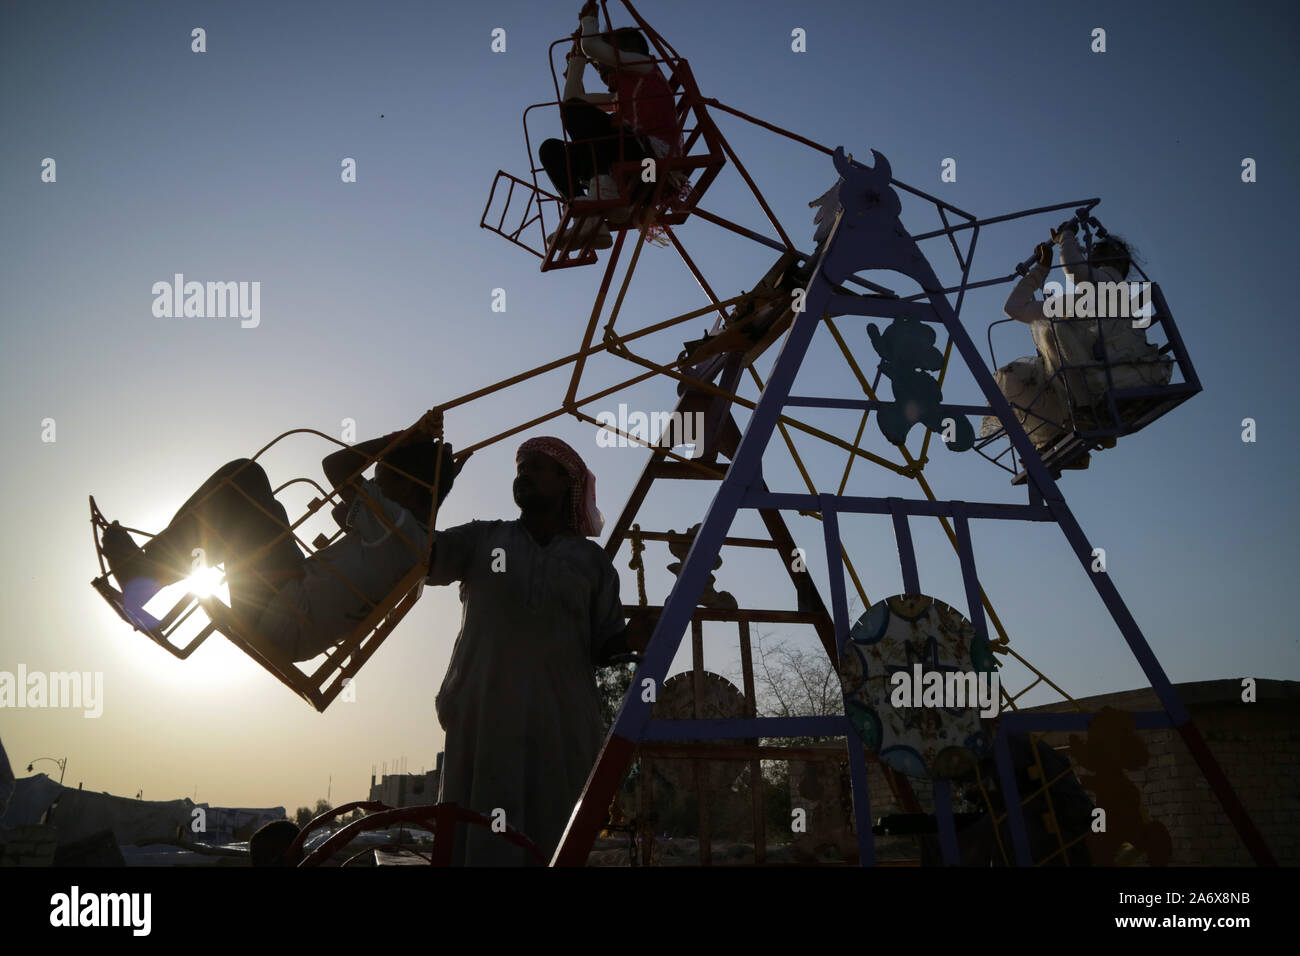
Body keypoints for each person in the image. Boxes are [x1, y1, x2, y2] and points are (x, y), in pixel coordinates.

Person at [426, 436, 651, 865]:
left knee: (552, 840)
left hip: (560, 724)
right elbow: (420, 557)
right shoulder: (482, 539)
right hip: (483, 717)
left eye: (536, 466)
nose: (523, 473)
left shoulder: (592, 564)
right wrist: (431, 493)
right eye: (520, 467)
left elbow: (604, 647)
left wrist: (631, 639)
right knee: (477, 839)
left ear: (567, 483)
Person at [99, 411, 464, 661]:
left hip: (279, 612)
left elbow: (334, 465)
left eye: (383, 480)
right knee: (268, 512)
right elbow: (348, 512)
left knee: (244, 477)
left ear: (413, 492)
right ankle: (151, 571)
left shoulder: (394, 525)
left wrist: (403, 438)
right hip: (291, 625)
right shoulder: (412, 541)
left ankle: (144, 577)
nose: (374, 486)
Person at [539, 1, 686, 252]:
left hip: (651, 163)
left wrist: (589, 22)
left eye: (601, 64)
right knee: (551, 149)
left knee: (585, 119)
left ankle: (603, 196)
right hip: (629, 162)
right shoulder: (620, 99)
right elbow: (571, 101)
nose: (600, 70)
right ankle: (586, 214)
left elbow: (592, 46)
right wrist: (577, 63)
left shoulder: (645, 67)